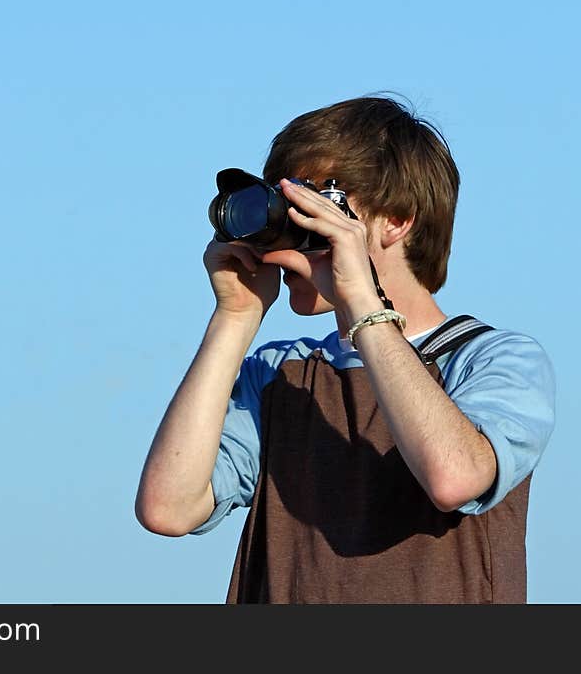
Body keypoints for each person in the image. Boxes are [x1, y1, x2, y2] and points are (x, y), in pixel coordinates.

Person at [134, 95, 556, 604]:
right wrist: (235, 317)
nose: (295, 231)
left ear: (396, 220)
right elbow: (169, 508)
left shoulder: (494, 360)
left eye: (315, 210)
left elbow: (454, 477)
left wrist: (363, 304)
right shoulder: (281, 374)